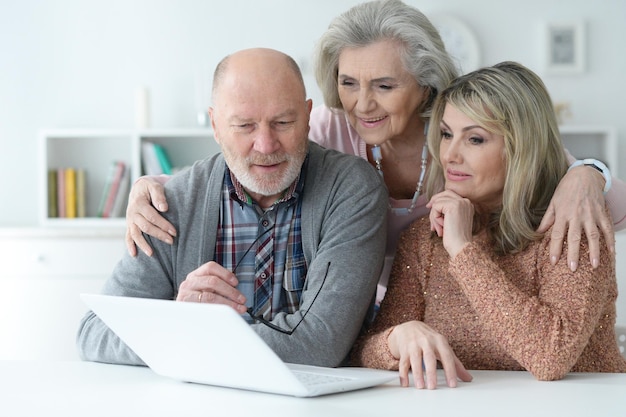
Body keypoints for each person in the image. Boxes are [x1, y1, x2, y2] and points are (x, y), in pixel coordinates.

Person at [123, 0, 626, 300]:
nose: (362, 105)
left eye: (384, 86)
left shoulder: (462, 134)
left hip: (467, 309)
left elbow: (563, 173)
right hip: (367, 315)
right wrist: (153, 187)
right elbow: (248, 157)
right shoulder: (328, 127)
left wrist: (589, 173)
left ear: (426, 86)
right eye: (348, 83)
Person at [76, 48, 389, 367]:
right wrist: (180, 320)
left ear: (308, 116)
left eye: (282, 122)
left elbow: (320, 343)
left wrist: (191, 334)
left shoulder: (351, 189)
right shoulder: (172, 202)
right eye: (244, 126)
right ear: (215, 124)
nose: (266, 145)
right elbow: (95, 331)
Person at [350, 61, 626, 389]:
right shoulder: (425, 237)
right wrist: (396, 338)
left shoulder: (571, 225)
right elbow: (366, 351)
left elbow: (551, 355)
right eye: (446, 134)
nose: (450, 154)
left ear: (522, 148)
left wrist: (463, 250)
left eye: (475, 139)